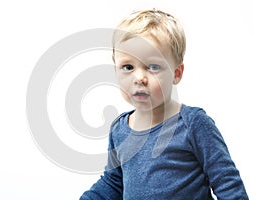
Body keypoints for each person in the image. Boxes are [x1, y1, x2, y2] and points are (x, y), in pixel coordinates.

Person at [80, 8, 248, 199]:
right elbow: (113, 182)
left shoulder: (193, 123)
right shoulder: (119, 129)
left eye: (153, 67)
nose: (139, 78)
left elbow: (227, 182)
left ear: (176, 73)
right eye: (128, 67)